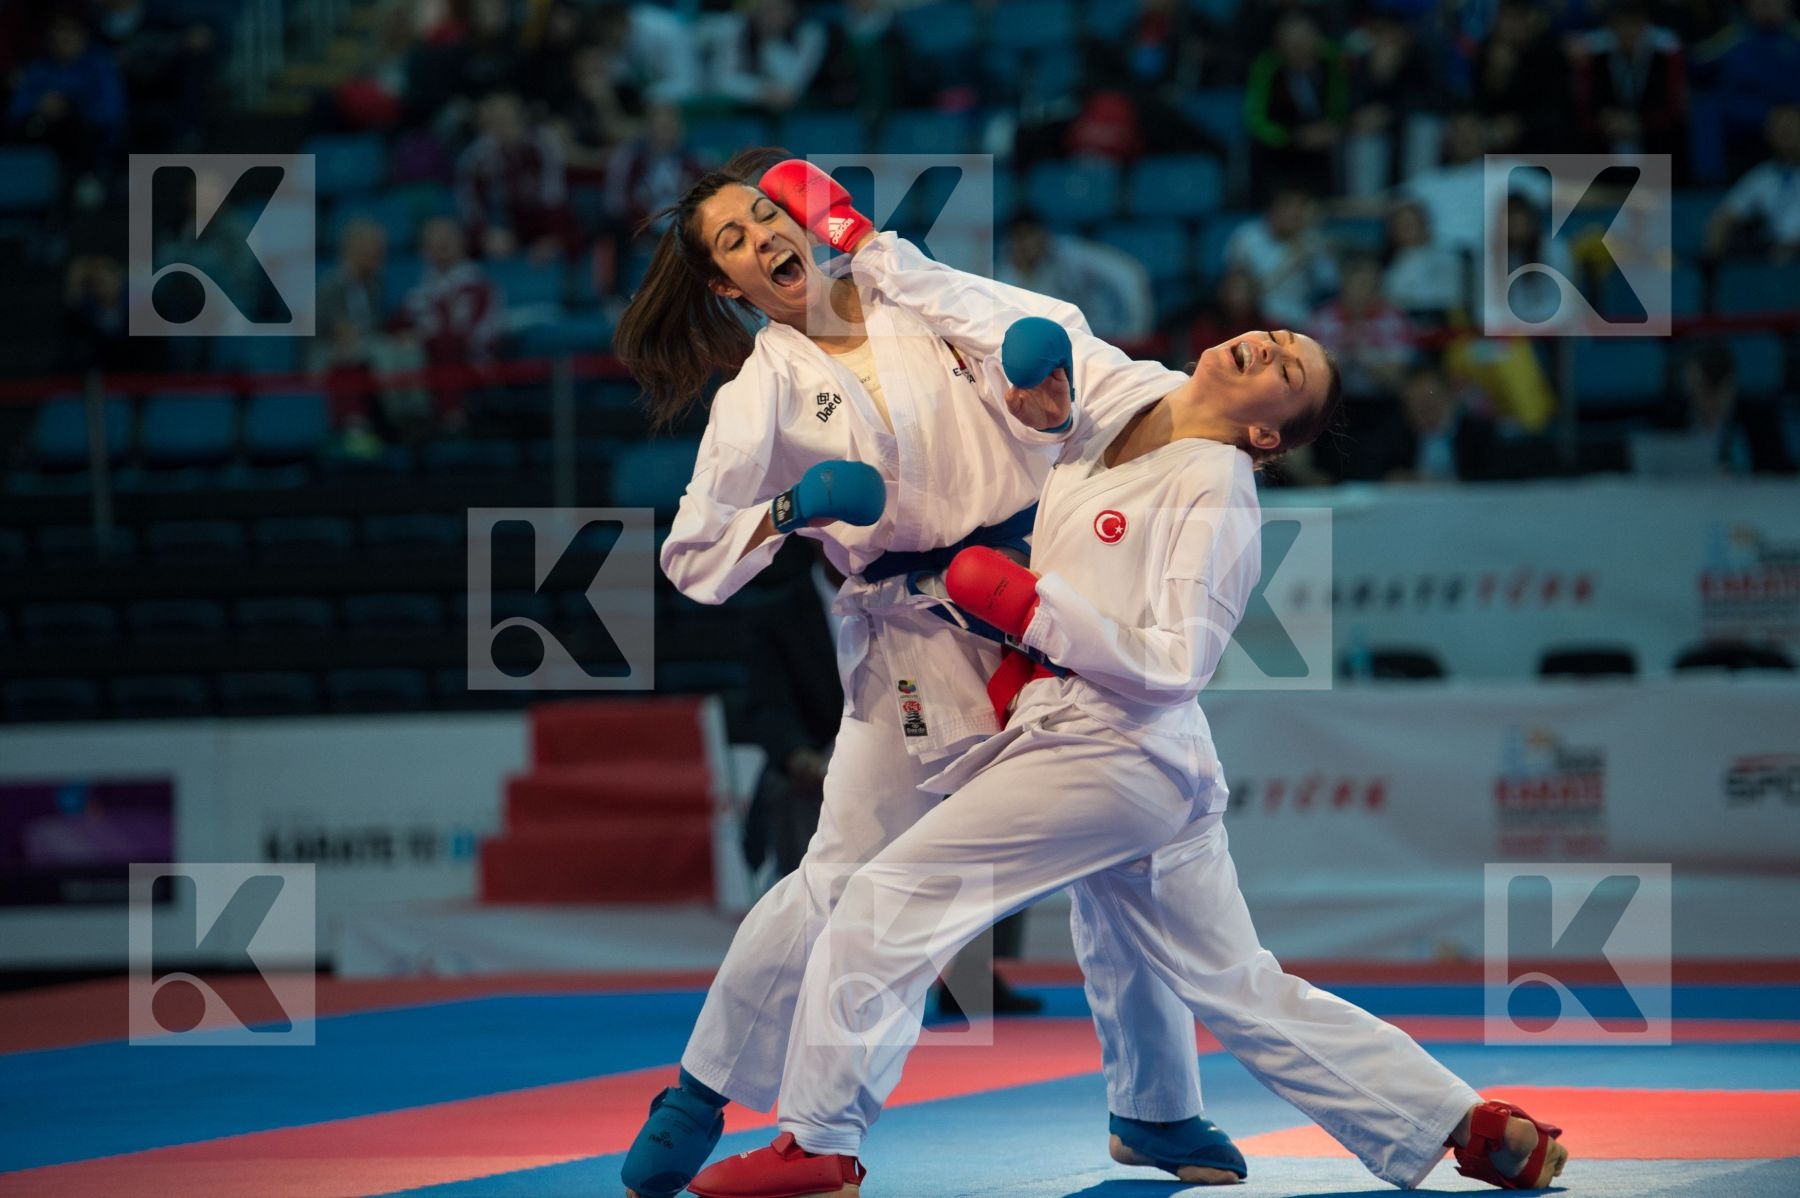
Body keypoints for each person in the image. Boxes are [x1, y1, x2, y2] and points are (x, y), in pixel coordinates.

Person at [686, 303, 1568, 1198]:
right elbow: (979, 300)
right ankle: (1452, 1122)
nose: (1267, 345)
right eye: (1275, 337)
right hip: (1139, 758)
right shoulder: (1124, 396)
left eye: (1288, 370)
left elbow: (1178, 658)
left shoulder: (1220, 483)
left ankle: (821, 1142)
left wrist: (1035, 612)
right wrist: (863, 246)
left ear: (1266, 430)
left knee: (886, 905)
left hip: (1109, 746)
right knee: (1227, 980)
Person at [610, 151, 1253, 1198]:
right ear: (728, 287)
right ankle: (699, 1090)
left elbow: (1052, 352)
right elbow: (692, 561)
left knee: (1131, 852)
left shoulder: (915, 294)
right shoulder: (762, 390)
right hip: (911, 639)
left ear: (803, 222)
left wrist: (1038, 394)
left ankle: (1156, 1106)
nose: (762, 237)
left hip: (1049, 594)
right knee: (837, 877)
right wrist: (789, 511)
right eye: (732, 240)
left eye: (766, 216)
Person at [1706, 102, 1800, 261]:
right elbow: (1723, 218)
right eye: (1778, 127)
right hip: (1770, 258)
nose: (1784, 133)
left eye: (1791, 126)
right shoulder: (1762, 176)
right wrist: (1712, 262)